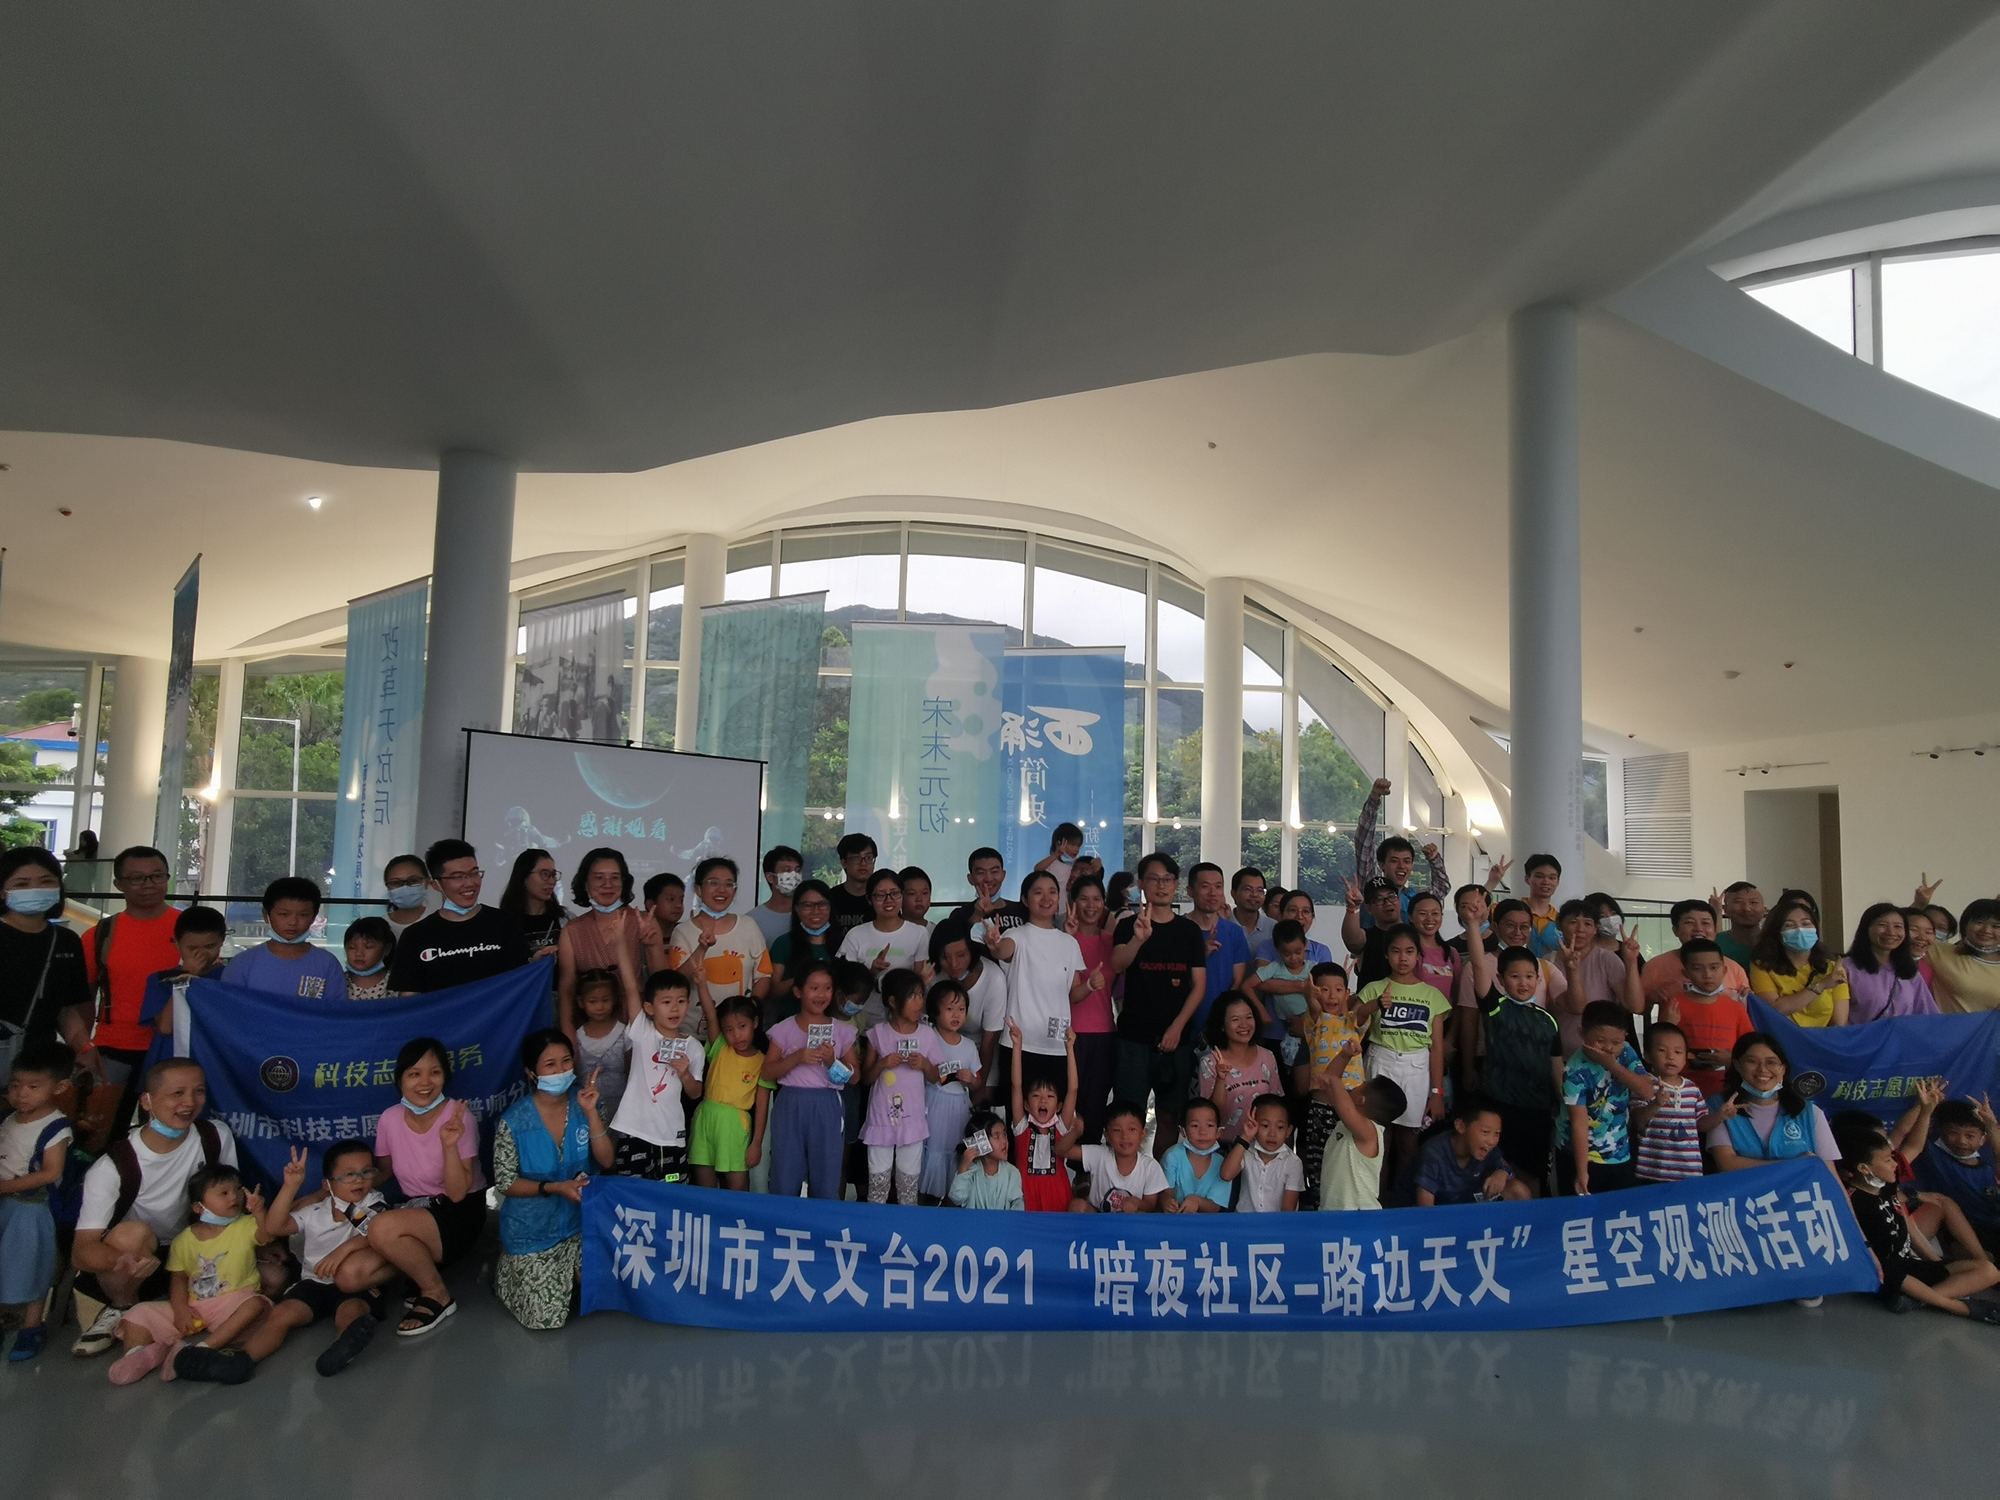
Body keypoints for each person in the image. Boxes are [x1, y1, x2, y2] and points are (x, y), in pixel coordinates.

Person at [69, 1058, 238, 1358]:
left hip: (195, 1250)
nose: (189, 1102)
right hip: (144, 1259)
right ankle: (122, 1305)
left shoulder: (215, 1135)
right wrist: (122, 1260)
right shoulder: (112, 1166)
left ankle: (181, 1306)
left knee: (274, 1279)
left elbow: (231, 1202)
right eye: (177, 1093)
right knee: (131, 1235)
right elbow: (82, 1251)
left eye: (198, 1091)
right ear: (147, 1101)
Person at [105, 1162, 271, 1385]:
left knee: (255, 1305)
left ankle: (201, 1350)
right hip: (194, 1307)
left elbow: (266, 1235)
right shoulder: (183, 1240)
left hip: (233, 1303)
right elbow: (178, 1279)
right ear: (198, 1207)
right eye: (224, 1193)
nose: (234, 1197)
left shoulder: (245, 1224)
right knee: (138, 1313)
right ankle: (138, 1355)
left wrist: (259, 1212)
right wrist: (181, 1310)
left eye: (237, 1190)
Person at [243, 1140, 399, 1376]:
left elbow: (373, 1231)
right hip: (314, 1282)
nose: (359, 1180)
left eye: (366, 1172)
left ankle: (340, 1351)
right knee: (282, 1314)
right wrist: (291, 1186)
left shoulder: (372, 1201)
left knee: (352, 1312)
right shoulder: (314, 1211)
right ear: (327, 1184)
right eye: (349, 1175)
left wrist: (341, 1251)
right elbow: (274, 1227)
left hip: (355, 1284)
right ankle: (243, 1359)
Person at [363, 1038, 485, 1336]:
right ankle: (420, 1270)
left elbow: (457, 1194)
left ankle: (436, 1293)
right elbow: (384, 1172)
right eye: (414, 1074)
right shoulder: (390, 1118)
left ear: (445, 1076)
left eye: (435, 1072)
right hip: (415, 1210)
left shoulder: (459, 1118)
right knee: (353, 1276)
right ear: (400, 1079)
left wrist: (449, 1145)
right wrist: (343, 1184)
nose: (425, 1082)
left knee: (381, 1228)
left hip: (458, 1212)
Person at [491, 1030, 612, 1330]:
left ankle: (569, 1277)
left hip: (581, 1224)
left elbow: (607, 1160)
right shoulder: (514, 1121)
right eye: (550, 1064)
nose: (561, 1070)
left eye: (566, 1061)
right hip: (533, 1233)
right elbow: (505, 1183)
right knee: (546, 1319)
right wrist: (554, 1188)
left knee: (607, 1290)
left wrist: (591, 1114)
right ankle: (508, 1273)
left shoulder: (588, 1102)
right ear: (531, 1073)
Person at [1845, 1128, 2000, 1320]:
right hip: (1888, 1277)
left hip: (1910, 1265)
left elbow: (1913, 1148)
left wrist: (1935, 1263)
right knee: (1903, 1277)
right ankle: (1932, 1300)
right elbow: (1890, 1272)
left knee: (1989, 1270)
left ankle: (1915, 1301)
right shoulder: (1856, 1203)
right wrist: (1965, 1309)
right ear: (1863, 1168)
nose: (1895, 1164)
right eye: (1887, 1160)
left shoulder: (1886, 1186)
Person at [1110, 852, 1207, 1161]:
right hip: (1134, 1037)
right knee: (1129, 1117)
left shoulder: (1189, 931)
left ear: (1176, 885)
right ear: (1141, 884)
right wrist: (1139, 939)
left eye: (1167, 879)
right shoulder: (1128, 926)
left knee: (1169, 1116)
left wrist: (1177, 1028)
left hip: (1177, 1040)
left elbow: (1198, 985)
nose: (1161, 885)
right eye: (1153, 879)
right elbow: (1117, 964)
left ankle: (1160, 1178)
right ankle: (1126, 1178)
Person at [83, 845, 184, 1132]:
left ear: (167, 878)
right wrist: (83, 1047)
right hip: (114, 1049)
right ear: (119, 884)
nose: (148, 884)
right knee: (100, 1131)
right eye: (137, 878)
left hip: (173, 1046)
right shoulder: (99, 934)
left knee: (169, 1131)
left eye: (157, 876)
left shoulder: (189, 928)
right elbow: (84, 999)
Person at [988, 869, 1091, 1106]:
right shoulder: (1016, 935)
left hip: (1057, 1045)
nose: (1046, 898)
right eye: (1038, 892)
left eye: (1052, 892)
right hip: (1018, 1043)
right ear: (1025, 899)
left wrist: (1090, 986)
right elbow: (1003, 950)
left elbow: (1074, 994)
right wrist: (994, 945)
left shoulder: (1069, 943)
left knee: (1053, 1117)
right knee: (1017, 1115)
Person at [1467, 946, 1564, 1195]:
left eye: (1529, 976)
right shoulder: (1496, 1007)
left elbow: (1556, 1067)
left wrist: (1566, 1105)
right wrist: (1474, 927)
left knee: (1534, 1173)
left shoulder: (1548, 1020)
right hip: (1500, 1107)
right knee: (1496, 1173)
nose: (1523, 983)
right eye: (1515, 976)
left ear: (1538, 979)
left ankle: (1532, 1217)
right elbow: (1478, 965)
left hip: (1538, 1110)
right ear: (1501, 979)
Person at [1359, 922, 1450, 1186]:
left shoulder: (1433, 995)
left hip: (1416, 1069)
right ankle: (1377, 1201)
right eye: (1396, 951)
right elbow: (1351, 1022)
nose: (1403, 958)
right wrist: (1375, 1005)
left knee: (1409, 1142)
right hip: (1381, 1062)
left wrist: (1437, 1093)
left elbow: (1437, 1047)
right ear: (1386, 954)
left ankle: (1404, 1200)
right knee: (1378, 1141)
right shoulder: (1374, 988)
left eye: (1409, 951)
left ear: (1419, 955)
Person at [0, 1040, 73, 1361]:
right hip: (6, 1203)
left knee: (33, 1264)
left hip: (32, 1209)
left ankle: (32, 1326)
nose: (21, 1094)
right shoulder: (9, 1118)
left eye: (33, 1087)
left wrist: (5, 1187)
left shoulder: (56, 1127)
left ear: (60, 1087)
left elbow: (50, 1172)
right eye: (15, 1085)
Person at [764, 961, 861, 1199]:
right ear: (798, 991)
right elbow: (767, 1072)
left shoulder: (841, 1030)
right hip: (791, 1103)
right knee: (785, 1173)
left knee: (826, 1174)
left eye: (827, 988)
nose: (821, 994)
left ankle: (822, 1221)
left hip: (827, 1104)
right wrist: (796, 1057)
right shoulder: (784, 1029)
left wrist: (831, 1061)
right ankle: (784, 1219)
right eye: (814, 988)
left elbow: (855, 1076)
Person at [387, 839, 530, 994]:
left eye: (474, 873)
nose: (469, 883)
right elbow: (409, 999)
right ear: (436, 884)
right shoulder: (415, 936)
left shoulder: (505, 924)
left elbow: (521, 983)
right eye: (457, 876)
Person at [0, 847, 91, 1073]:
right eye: (22, 884)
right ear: (2, 891)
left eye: (46, 881)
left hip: (39, 1067)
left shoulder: (66, 941)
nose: (35, 889)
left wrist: (84, 1049)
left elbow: (67, 1009)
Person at [607, 970, 704, 1181]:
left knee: (672, 1193)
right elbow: (631, 988)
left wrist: (685, 1075)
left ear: (688, 1004)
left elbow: (696, 1093)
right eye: (666, 1002)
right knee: (632, 1192)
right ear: (649, 1007)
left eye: (681, 1001)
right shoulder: (643, 1032)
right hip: (634, 1129)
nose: (675, 1008)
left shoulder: (694, 1047)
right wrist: (621, 949)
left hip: (670, 1133)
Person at [857, 968, 943, 1203]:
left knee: (908, 1187)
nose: (919, 1002)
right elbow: (866, 1078)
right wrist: (883, 1063)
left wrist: (925, 1064)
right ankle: (875, 1223)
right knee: (878, 1185)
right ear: (893, 1002)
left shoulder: (927, 1035)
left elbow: (936, 1076)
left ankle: (906, 1224)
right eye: (912, 996)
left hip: (912, 1120)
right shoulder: (878, 1034)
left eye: (921, 995)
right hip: (881, 1120)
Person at [1553, 1000, 1656, 1196]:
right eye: (1600, 1041)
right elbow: (1578, 1125)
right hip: (1578, 1154)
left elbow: (1648, 1092)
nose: (1609, 1048)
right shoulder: (1575, 1071)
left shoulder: (1626, 1051)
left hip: (1618, 1151)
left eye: (1616, 1042)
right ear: (1582, 1034)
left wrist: (1613, 1065)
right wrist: (1582, 1172)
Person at [671, 856, 774, 1038]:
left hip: (739, 1037)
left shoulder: (748, 925)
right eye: (713, 883)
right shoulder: (683, 931)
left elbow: (764, 975)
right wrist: (702, 948)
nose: (722, 890)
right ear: (698, 889)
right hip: (693, 1035)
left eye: (729, 884)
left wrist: (749, 1009)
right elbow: (676, 982)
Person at [1706, 1031, 1840, 1171]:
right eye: (1752, 1061)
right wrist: (1795, 1165)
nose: (1762, 1069)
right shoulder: (1719, 1106)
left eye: (1771, 1062)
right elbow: (1727, 1164)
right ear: (1737, 1065)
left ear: (1783, 1069)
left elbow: (1829, 1173)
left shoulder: (1810, 1113)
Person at [558, 847, 646, 1033]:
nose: (608, 884)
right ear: (585, 882)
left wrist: (653, 945)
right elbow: (567, 992)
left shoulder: (642, 922)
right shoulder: (572, 931)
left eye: (615, 877)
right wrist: (568, 1034)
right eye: (599, 878)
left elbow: (661, 979)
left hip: (638, 1024)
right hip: (590, 1031)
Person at [1656, 938, 1755, 1100]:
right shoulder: (1674, 1004)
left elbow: (1750, 1049)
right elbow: (1658, 1048)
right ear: (1686, 973)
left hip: (1727, 1090)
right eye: (1697, 969)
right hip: (1681, 1090)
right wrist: (1668, 1024)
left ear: (1724, 970)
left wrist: (1730, 1060)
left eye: (1714, 967)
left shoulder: (1736, 1008)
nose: (1707, 975)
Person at [1298, 964, 1365, 1205]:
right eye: (1324, 989)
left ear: (1347, 993)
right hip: (1322, 1109)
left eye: (1338, 989)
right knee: (1320, 1165)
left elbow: (1365, 1011)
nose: (1332, 995)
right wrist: (1309, 994)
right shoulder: (1315, 1022)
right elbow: (1314, 1007)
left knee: (1350, 1164)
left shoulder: (1353, 1023)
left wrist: (1378, 1003)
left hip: (1352, 1108)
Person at [221, 876, 348, 1000]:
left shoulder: (327, 964)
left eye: (303, 915)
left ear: (313, 917)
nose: (293, 922)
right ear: (266, 916)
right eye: (283, 914)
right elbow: (229, 1007)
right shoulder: (242, 963)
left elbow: (335, 1010)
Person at [1316, 1041, 1405, 1212]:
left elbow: (1335, 1086)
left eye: (1359, 1086)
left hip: (1360, 1213)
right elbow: (1329, 1083)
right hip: (1334, 1212)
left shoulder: (1370, 1132)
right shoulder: (1348, 1122)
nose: (1353, 1087)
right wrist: (1344, 1056)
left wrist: (1334, 1080)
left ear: (1361, 1100)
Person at [1394, 1096, 1531, 1207]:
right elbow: (1425, 1209)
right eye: (1485, 1132)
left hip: (1463, 1208)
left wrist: (1502, 1173)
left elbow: (1504, 1166)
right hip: (1424, 1215)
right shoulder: (1434, 1153)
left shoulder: (1487, 1147)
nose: (1491, 1141)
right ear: (1460, 1126)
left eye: (1497, 1134)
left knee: (1518, 1190)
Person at [1063, 873, 1118, 1143]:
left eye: (1096, 899)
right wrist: (1067, 937)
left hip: (1104, 1032)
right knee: (1068, 1102)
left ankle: (1088, 1163)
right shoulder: (1063, 939)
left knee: (1096, 1105)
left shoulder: (1111, 941)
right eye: (1084, 899)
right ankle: (1062, 1160)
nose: (1091, 905)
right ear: (1072, 903)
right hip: (1069, 1033)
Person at [919, 979, 984, 1203]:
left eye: (961, 1009)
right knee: (933, 1150)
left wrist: (971, 1080)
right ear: (935, 1012)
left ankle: (951, 1201)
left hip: (959, 1107)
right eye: (949, 1009)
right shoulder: (928, 1037)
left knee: (953, 1150)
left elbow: (978, 1082)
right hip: (934, 1103)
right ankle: (925, 1200)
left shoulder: (968, 1045)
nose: (956, 1015)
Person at [1550, 898, 1644, 1053]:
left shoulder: (1607, 959)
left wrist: (1631, 962)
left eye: (1588, 924)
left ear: (1595, 929)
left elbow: (1636, 1006)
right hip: (1559, 1055)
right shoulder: (1548, 962)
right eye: (1573, 922)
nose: (1580, 929)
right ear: (1559, 924)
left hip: (1603, 1056)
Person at [836, 869, 928, 1024]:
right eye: (880, 895)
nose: (888, 900)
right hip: (864, 1023)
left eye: (894, 893)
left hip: (904, 1023)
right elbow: (843, 981)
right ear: (869, 899)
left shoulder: (918, 934)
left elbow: (919, 981)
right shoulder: (856, 935)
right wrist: (871, 972)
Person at [930, 927, 1008, 1111]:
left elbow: (989, 1042)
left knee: (982, 1100)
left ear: (973, 952)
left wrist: (979, 1087)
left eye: (961, 955)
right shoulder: (933, 975)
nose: (953, 964)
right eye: (945, 957)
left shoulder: (993, 979)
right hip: (941, 1049)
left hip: (981, 1051)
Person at [1007, 1017, 1080, 1212]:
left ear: (1059, 1106)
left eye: (1050, 1096)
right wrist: (1017, 1046)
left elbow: (1073, 1089)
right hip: (1025, 1193)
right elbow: (1016, 1085)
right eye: (1036, 1096)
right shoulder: (1022, 1127)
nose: (1043, 1100)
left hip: (1058, 1193)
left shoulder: (1061, 1127)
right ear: (1026, 1104)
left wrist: (1070, 1049)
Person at [139, 904, 229, 1058]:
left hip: (214, 1059)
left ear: (222, 940)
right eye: (192, 948)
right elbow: (166, 1027)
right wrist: (186, 975)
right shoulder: (161, 980)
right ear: (177, 944)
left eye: (209, 947)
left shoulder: (230, 977)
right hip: (170, 1060)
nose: (201, 954)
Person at [1913, 1096, 2000, 1254]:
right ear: (1941, 1131)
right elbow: (1910, 1138)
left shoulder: (1989, 1169)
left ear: (1983, 1139)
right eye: (1953, 1133)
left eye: (1970, 1136)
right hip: (1960, 1234)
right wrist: (1924, 1109)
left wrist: (1991, 1126)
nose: (1961, 1141)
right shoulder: (1935, 1156)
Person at [1354, 777, 1449, 921]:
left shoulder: (1413, 898)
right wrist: (1374, 799)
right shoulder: (1372, 888)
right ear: (1382, 864)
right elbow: (1364, 843)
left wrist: (1435, 860)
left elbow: (1442, 888)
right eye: (1394, 861)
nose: (1401, 866)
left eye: (1407, 861)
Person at [1749, 894, 1850, 1027]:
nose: (1800, 930)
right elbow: (1775, 1010)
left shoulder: (1832, 967)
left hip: (1823, 1037)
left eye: (1806, 923)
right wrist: (1821, 985)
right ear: (1776, 932)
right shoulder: (1762, 966)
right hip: (1781, 1037)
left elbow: (1839, 1022)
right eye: (1789, 925)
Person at [1198, 992, 1282, 1145]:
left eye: (1249, 1017)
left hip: (1260, 1147)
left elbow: (1276, 1106)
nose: (1244, 1025)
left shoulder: (1268, 1056)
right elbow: (1212, 1114)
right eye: (1235, 1019)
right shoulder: (1210, 1062)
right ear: (1222, 1026)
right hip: (1224, 1146)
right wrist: (1221, 1078)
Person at [1641, 899, 1750, 1012]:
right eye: (1689, 922)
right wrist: (1650, 999)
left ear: (1715, 929)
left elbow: (1746, 1008)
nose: (1698, 929)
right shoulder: (1656, 966)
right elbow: (1640, 1009)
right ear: (1676, 930)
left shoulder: (1734, 968)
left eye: (1705, 923)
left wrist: (1748, 997)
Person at [1631, 1023, 1708, 1184]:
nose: (1670, 1057)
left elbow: (1701, 1124)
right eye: (1662, 1050)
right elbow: (1637, 1120)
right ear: (1647, 1055)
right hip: (1652, 1172)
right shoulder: (1644, 1085)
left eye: (1678, 1052)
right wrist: (1656, 1104)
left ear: (1685, 1057)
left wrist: (1722, 1115)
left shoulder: (1692, 1088)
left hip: (1689, 1171)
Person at [1064, 1098, 1167, 1212]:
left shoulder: (1150, 1167)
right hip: (1097, 1217)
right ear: (1107, 1136)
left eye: (1131, 1129)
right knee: (1077, 1205)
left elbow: (1151, 1206)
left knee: (1141, 1214)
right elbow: (1064, 1151)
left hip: (1130, 1219)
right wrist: (1074, 1133)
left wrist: (1137, 1203)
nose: (1124, 1136)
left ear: (1143, 1133)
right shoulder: (1100, 1154)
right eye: (1117, 1130)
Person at [1842, 903, 1938, 1022]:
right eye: (1882, 925)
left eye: (1898, 926)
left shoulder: (1909, 971)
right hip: (1862, 1034)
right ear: (1866, 928)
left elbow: (1928, 1015)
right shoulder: (1846, 968)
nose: (1891, 932)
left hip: (1902, 1034)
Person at [1186, 862, 1251, 1036]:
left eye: (1218, 886)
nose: (1213, 893)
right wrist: (1200, 954)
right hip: (1183, 1025)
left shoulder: (1234, 932)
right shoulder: (1178, 930)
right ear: (1190, 891)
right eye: (1205, 886)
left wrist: (1219, 1020)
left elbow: (1237, 982)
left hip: (1221, 1028)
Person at [937, 846, 1029, 963]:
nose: (989, 879)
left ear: (1003, 875)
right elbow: (955, 951)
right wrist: (978, 914)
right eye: (981, 873)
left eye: (994, 871)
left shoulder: (1023, 910)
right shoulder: (960, 914)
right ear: (970, 878)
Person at [1244, 919, 1314, 1067]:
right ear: (1277, 950)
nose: (1293, 958)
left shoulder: (1313, 970)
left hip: (1312, 1027)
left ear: (1305, 945)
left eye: (1298, 952)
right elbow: (1247, 985)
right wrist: (1261, 1011)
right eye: (1287, 954)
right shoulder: (1274, 968)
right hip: (1287, 1031)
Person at [768, 877, 837, 1019]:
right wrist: (802, 979)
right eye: (807, 905)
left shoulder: (842, 941)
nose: (816, 911)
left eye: (822, 905)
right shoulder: (784, 943)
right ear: (796, 909)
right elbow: (772, 990)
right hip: (791, 1021)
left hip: (832, 1021)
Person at [1221, 1093, 1304, 1211]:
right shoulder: (1246, 1151)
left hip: (1277, 1222)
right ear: (1253, 1124)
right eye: (1265, 1125)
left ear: (1288, 1131)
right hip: (1245, 1220)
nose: (1272, 1134)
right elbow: (1226, 1175)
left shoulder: (1293, 1162)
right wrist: (1245, 1138)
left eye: (1280, 1127)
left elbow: (1288, 1210)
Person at [572, 968, 630, 1123]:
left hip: (622, 1112)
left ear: (615, 999)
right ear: (581, 1002)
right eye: (593, 1001)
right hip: (585, 1113)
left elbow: (631, 1072)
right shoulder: (576, 1037)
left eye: (605, 1000)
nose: (600, 1007)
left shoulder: (625, 1033)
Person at [1925, 898, 2000, 1014]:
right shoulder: (1941, 951)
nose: (1986, 930)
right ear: (1965, 925)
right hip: (1945, 1025)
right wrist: (1919, 904)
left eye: (1996, 926)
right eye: (1979, 922)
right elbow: (1905, 933)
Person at [1160, 1097, 1232, 1213]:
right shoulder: (1172, 1156)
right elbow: (1166, 1192)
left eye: (1209, 1125)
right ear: (1183, 1131)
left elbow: (1215, 1207)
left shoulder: (1223, 1164)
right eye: (1195, 1125)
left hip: (1206, 1223)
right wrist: (1167, 1202)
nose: (1202, 1132)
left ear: (1218, 1132)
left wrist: (1197, 1201)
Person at [497, 847, 566, 959]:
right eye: (545, 874)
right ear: (524, 876)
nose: (552, 881)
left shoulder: (565, 919)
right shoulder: (504, 923)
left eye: (553, 874)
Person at [949, 1111, 1023, 1210]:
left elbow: (1018, 1204)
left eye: (1004, 1134)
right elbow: (957, 1198)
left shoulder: (1012, 1172)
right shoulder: (970, 1171)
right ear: (981, 1142)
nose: (1004, 1141)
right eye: (996, 1136)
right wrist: (963, 1167)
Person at [1343, 877, 1407, 988]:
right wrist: (1353, 907)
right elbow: (1352, 942)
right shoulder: (1367, 937)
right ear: (1368, 909)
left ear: (1399, 901)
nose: (1387, 903)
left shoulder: (1414, 935)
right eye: (1379, 899)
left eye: (1391, 896)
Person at [828, 832, 879, 943]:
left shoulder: (882, 898)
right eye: (856, 858)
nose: (863, 863)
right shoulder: (830, 898)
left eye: (869, 857)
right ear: (844, 862)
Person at [750, 844, 805, 946]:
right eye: (786, 870)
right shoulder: (752, 920)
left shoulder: (809, 914)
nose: (794, 875)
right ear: (770, 877)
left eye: (797, 870)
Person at [1031, 822, 1085, 918]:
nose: (1076, 849)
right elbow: (1037, 869)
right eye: (1073, 845)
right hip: (1047, 906)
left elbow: (1088, 866)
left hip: (1062, 908)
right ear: (1059, 843)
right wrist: (1056, 855)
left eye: (1078, 846)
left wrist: (1097, 862)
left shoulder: (1073, 862)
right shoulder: (1051, 861)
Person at [639, 871, 687, 977]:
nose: (678, 905)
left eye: (681, 900)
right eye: (671, 899)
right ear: (650, 904)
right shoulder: (641, 938)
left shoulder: (685, 934)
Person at [342, 916, 398, 1000]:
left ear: (386, 949)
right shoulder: (337, 981)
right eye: (352, 947)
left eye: (368, 947)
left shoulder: (396, 983)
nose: (359, 954)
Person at [1520, 853, 1564, 958]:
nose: (1546, 881)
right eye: (1539, 876)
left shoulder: (1561, 921)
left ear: (1558, 882)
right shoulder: (1511, 912)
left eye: (1552, 878)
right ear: (1527, 879)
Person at [1715, 881, 1766, 968]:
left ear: (1764, 910)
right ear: (1725, 909)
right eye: (1738, 902)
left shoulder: (1777, 942)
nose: (1746, 908)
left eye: (1753, 902)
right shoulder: (1715, 943)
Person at [1228, 867, 1276, 954]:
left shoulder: (1273, 928)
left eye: (1260, 890)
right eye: (1248, 889)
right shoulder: (1223, 925)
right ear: (1233, 893)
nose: (1254, 894)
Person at [382, 853, 433, 935]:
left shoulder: (439, 922)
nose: (405, 887)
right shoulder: (379, 928)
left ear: (427, 882)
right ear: (387, 886)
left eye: (413, 881)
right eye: (396, 882)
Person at [1905, 907, 1941, 991]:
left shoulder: (1926, 969)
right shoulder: (1882, 963)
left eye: (1928, 932)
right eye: (1914, 930)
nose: (1922, 937)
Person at [897, 865, 934, 929]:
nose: (919, 899)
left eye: (924, 893)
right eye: (912, 894)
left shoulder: (937, 931)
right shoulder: (890, 930)